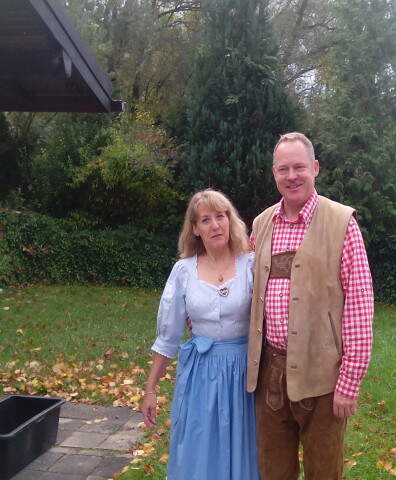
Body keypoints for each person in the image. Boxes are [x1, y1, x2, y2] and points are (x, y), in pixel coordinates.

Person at [247, 132, 374, 480]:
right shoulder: (261, 225)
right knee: (273, 472)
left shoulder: (342, 223)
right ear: (274, 173)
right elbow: (245, 290)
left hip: (324, 378)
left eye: (299, 167)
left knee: (324, 472)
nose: (292, 176)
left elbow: (359, 308)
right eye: (283, 169)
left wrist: (349, 383)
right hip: (269, 375)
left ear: (315, 168)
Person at [140, 189, 259, 480]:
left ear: (230, 220)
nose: (215, 225)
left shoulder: (252, 264)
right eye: (205, 220)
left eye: (221, 216)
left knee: (244, 448)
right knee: (199, 448)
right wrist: (151, 389)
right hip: (200, 374)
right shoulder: (183, 271)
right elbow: (168, 336)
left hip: (244, 373)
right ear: (194, 228)